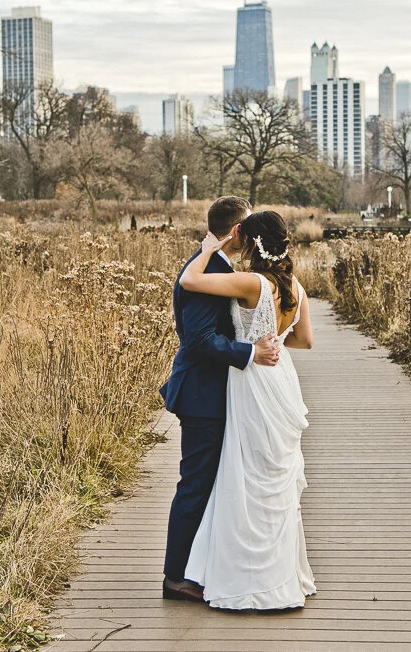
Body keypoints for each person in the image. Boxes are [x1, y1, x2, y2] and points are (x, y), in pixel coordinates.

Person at [179, 209, 316, 610]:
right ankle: (280, 576)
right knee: (276, 475)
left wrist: (208, 248)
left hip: (253, 381)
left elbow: (190, 281)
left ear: (251, 243)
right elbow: (305, 340)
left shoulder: (252, 283)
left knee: (246, 474)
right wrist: (273, 340)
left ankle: (245, 575)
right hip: (283, 384)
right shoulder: (296, 287)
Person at [160, 196, 281, 602]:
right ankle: (176, 577)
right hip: (201, 394)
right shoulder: (206, 267)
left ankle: (200, 567)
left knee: (209, 484)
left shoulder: (215, 265)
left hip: (214, 391)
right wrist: (250, 354)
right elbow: (198, 340)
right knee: (195, 485)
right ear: (236, 232)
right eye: (246, 229)